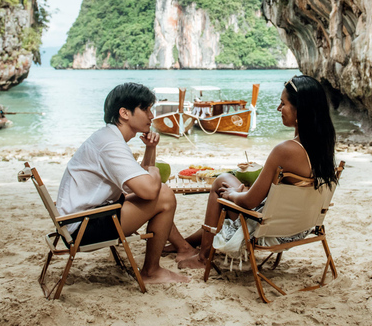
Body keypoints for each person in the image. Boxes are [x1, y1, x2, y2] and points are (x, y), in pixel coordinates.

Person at [178, 75, 339, 269]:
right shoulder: (323, 146)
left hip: (270, 230)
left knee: (221, 184)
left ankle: (203, 257)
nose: (279, 109)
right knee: (229, 181)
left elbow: (249, 202)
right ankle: (185, 243)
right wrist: (239, 193)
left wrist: (234, 195)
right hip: (299, 227)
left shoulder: (285, 150)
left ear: (300, 109)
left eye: (283, 103)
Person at [56, 82, 196, 284]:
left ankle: (181, 248)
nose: (151, 116)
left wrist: (150, 149)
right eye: (146, 109)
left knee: (157, 194)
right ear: (125, 113)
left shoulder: (109, 138)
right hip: (82, 227)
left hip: (81, 218)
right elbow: (148, 190)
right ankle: (152, 271)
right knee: (164, 194)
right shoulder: (110, 144)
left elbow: (138, 185)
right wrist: (155, 171)